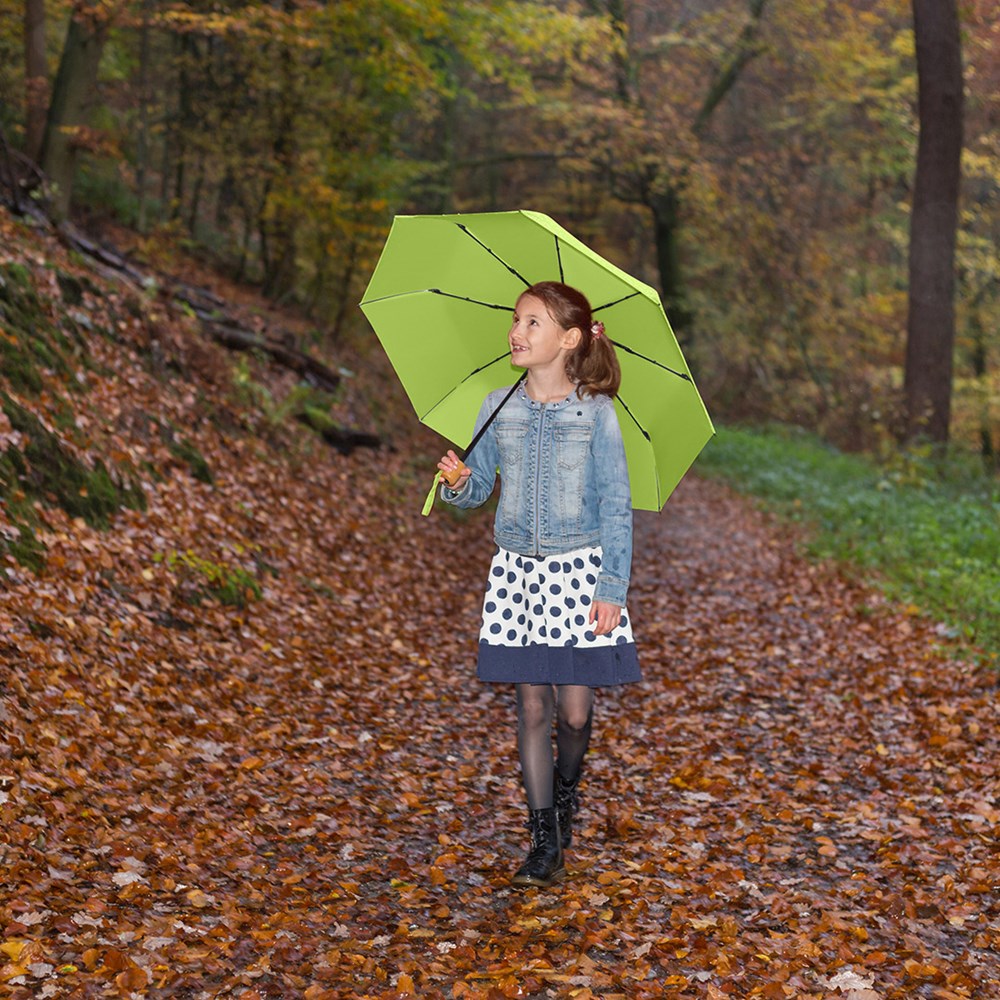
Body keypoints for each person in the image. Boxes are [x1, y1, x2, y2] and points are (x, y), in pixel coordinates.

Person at [437, 280, 641, 888]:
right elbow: (477, 495)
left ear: (569, 339)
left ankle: (566, 794)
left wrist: (613, 585)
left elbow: (617, 505)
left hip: (580, 572)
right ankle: (543, 837)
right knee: (532, 705)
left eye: (531, 323)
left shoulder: (597, 414)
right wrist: (458, 480)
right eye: (516, 321)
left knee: (574, 715)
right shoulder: (499, 406)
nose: (515, 332)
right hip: (519, 573)